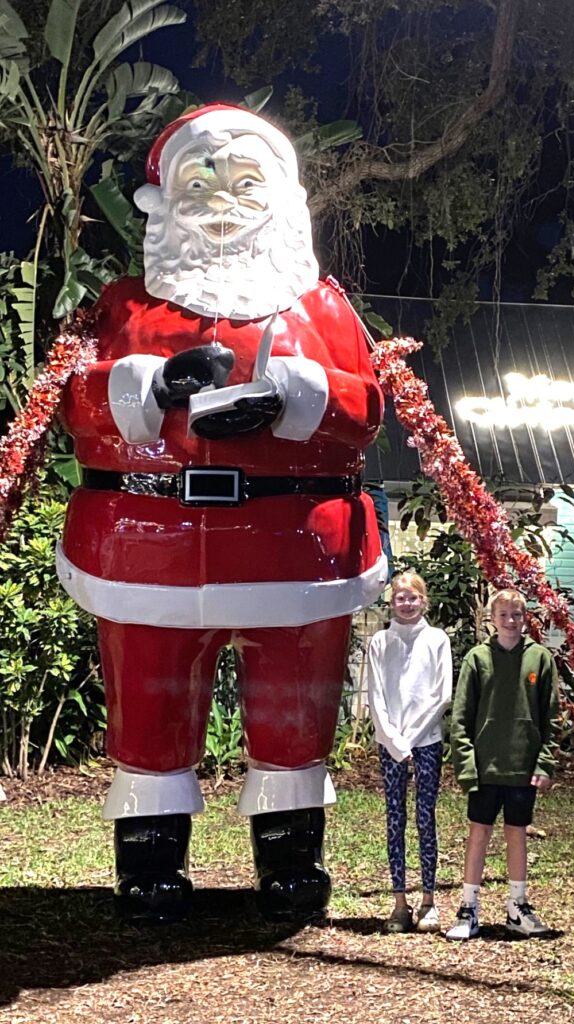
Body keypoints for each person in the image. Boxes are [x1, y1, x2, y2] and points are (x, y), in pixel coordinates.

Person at [56, 103, 387, 922]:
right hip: (148, 545)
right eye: (201, 181)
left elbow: (366, 405)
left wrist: (295, 396)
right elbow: (75, 401)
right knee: (150, 701)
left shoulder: (323, 307)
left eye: (247, 183)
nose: (224, 199)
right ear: (164, 198)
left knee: (294, 707)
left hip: (293, 549)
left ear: (281, 196)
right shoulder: (125, 304)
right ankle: (150, 862)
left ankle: (288, 860)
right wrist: (146, 385)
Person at [446, 588, 559, 940]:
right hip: (485, 768)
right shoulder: (477, 659)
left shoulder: (540, 658)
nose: (511, 621)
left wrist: (545, 763)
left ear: (526, 618)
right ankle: (468, 909)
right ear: (492, 619)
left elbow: (551, 718)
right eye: (504, 615)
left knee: (517, 835)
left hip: (523, 768)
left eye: (517, 615)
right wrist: (466, 766)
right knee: (478, 834)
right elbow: (460, 718)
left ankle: (517, 907)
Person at [367, 571, 452, 933]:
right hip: (391, 745)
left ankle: (429, 900)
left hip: (426, 743)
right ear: (392, 602)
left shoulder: (437, 639)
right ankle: (399, 902)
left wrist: (412, 739)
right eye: (400, 597)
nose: (406, 603)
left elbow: (442, 695)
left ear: (423, 600)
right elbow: (376, 697)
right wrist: (394, 741)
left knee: (425, 819)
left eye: (412, 597)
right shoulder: (380, 642)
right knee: (395, 820)